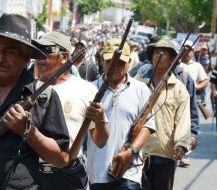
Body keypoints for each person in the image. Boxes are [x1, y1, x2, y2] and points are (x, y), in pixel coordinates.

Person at [0, 14, 70, 189]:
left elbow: (60, 159)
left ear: (27, 57)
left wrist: (28, 132)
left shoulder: (44, 97)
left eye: (10, 51)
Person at [32, 31, 109, 190]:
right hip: (31, 174)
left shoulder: (85, 90)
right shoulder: (29, 89)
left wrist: (100, 121)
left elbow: (100, 142)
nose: (40, 57)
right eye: (38, 52)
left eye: (47, 51)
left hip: (68, 176)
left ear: (65, 57)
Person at [87, 39, 155, 190]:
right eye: (110, 61)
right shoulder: (90, 90)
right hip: (97, 170)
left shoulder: (141, 90)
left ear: (130, 62)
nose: (115, 67)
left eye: (120, 62)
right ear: (102, 62)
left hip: (129, 172)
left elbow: (147, 126)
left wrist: (131, 152)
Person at [137, 40, 191, 190]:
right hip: (138, 153)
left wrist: (181, 144)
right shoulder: (138, 84)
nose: (158, 55)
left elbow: (183, 120)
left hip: (165, 154)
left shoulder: (179, 89)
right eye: (155, 52)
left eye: (164, 52)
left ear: (172, 59)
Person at [180, 40, 208, 106]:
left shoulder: (197, 65)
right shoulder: (175, 64)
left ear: (192, 52)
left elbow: (205, 82)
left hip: (191, 98)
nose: (187, 52)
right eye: (184, 50)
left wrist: (196, 87)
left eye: (189, 50)